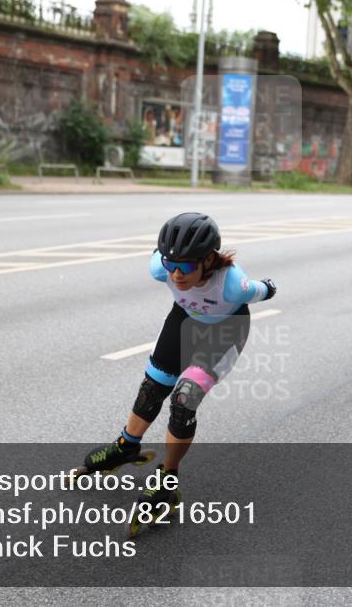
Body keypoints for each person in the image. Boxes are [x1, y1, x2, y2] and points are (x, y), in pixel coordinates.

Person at [80, 213, 277, 510]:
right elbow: (161, 260)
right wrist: (171, 263)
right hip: (185, 318)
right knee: (153, 386)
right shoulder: (161, 268)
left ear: (209, 260)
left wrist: (269, 286)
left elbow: (264, 290)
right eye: (171, 265)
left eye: (185, 266)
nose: (176, 275)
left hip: (225, 329)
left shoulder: (233, 284)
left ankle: (167, 482)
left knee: (184, 399)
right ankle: (125, 446)